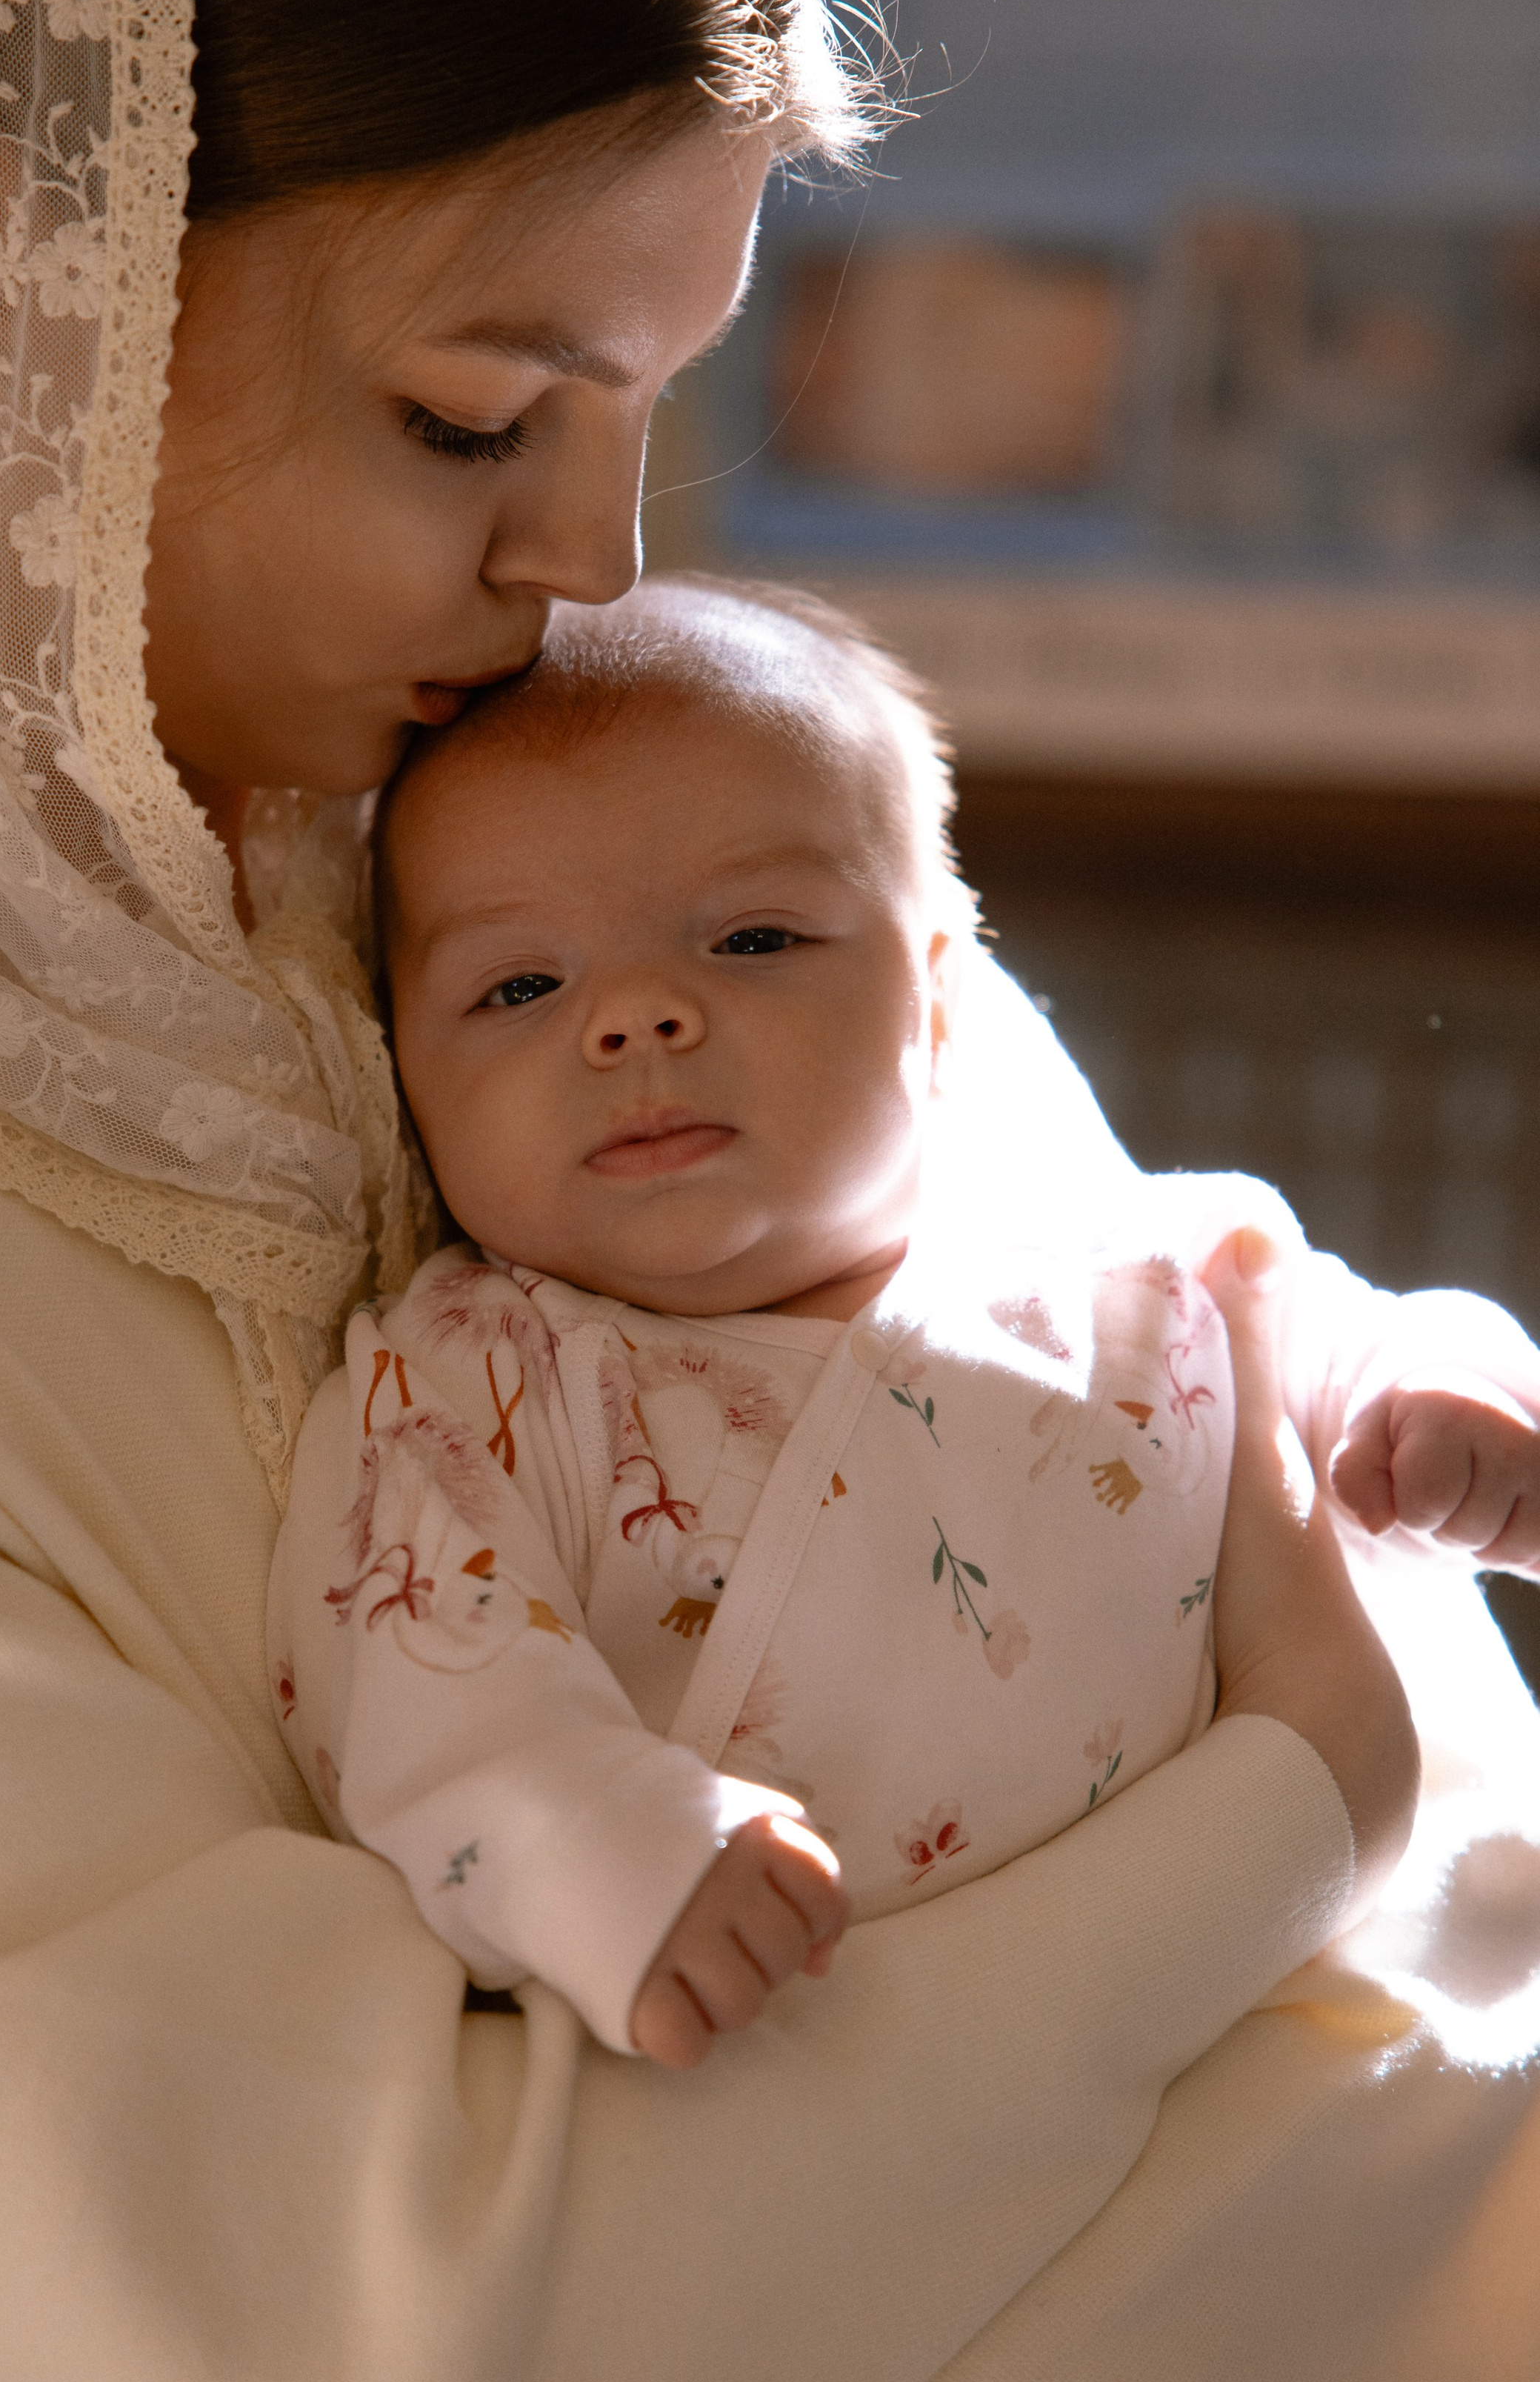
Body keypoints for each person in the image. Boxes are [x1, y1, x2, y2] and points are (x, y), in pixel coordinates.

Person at [0, 0, 1532, 2382]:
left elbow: (1483, 1937)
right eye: (473, 415)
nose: (596, 574)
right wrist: (1284, 1807)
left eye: (650, 408)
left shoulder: (636, 881)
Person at [270, 575, 1536, 2069]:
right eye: (521, 983)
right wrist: (611, 1842)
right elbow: (423, 1671)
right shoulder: (478, 1376)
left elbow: (1359, 1337)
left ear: (936, 1002)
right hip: (846, 2036)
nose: (634, 1020)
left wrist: (1448, 1401)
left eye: (748, 939)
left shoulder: (1132, 1262)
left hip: (1284, 2006)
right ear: (404, 1072)